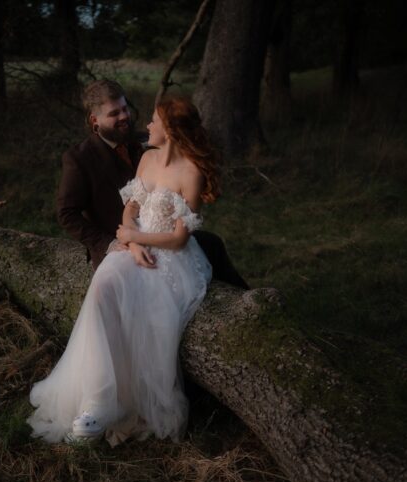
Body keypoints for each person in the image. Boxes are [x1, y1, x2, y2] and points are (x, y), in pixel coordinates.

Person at [27, 96, 218, 444]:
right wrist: (131, 241)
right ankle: (97, 402)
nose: (146, 125)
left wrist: (137, 237)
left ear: (171, 130)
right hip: (134, 246)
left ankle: (127, 400)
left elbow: (178, 238)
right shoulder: (145, 157)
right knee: (102, 291)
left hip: (169, 257)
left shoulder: (192, 172)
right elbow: (130, 209)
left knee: (145, 307)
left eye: (155, 121)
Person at [56, 79, 248, 288]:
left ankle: (249, 300)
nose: (124, 117)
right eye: (114, 114)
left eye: (124, 109)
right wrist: (110, 243)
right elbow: (67, 214)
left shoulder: (143, 140)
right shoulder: (79, 158)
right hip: (117, 238)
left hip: (158, 233)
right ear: (95, 120)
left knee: (212, 243)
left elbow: (178, 156)